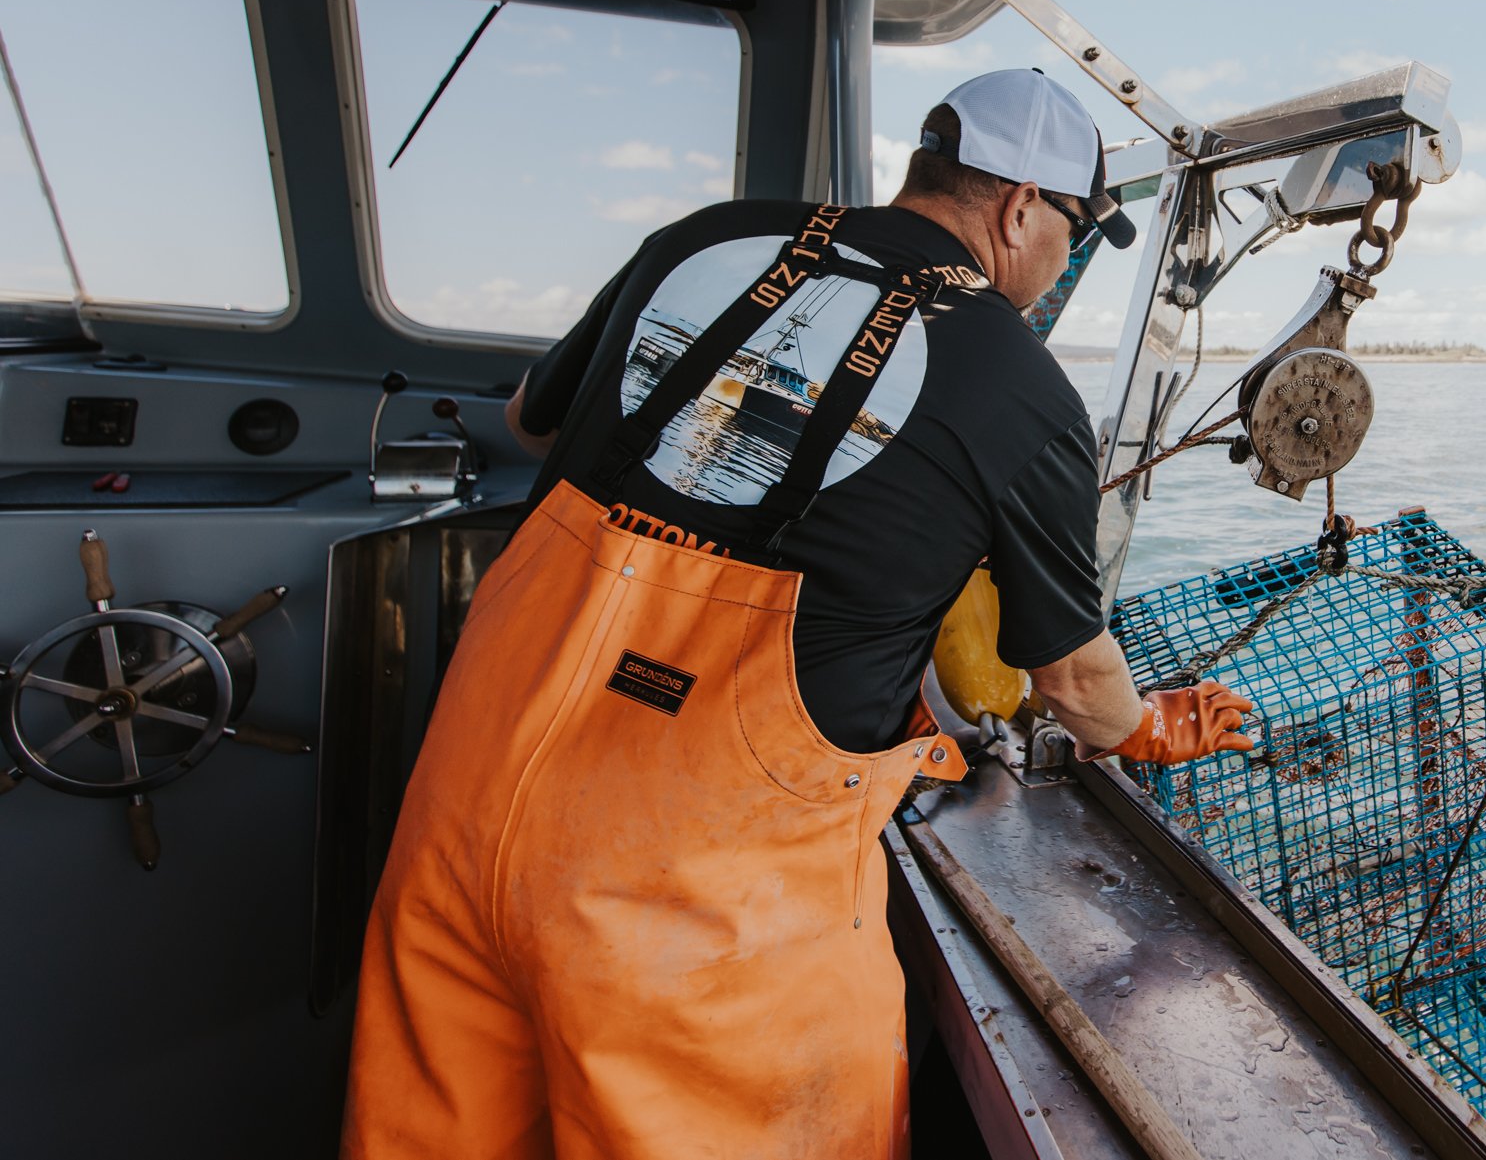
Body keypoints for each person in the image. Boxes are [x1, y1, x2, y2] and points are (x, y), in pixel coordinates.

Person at [342, 68, 1256, 1159]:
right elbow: (1070, 679)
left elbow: (530, 420)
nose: (1064, 260)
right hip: (696, 913)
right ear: (1021, 205)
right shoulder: (1021, 384)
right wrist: (1147, 726)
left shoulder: (703, 240)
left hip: (460, 814)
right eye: (1073, 228)